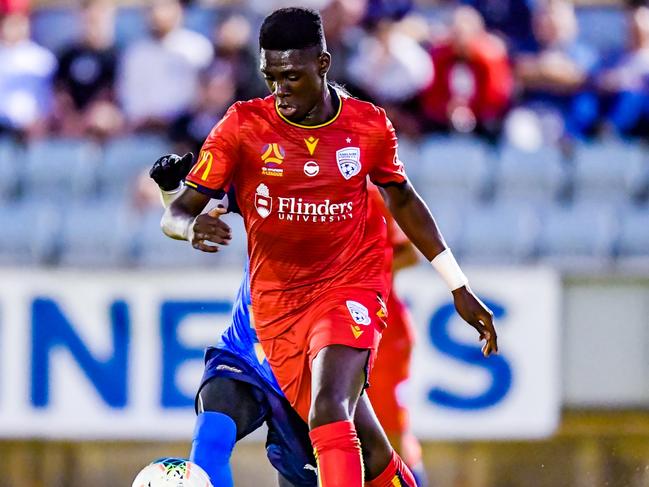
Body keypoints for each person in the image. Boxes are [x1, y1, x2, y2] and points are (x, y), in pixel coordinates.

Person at [161, 8, 497, 487]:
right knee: (218, 431)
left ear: (323, 63)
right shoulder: (243, 127)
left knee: (330, 409)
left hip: (347, 293)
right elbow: (178, 210)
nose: (279, 90)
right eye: (270, 77)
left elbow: (403, 199)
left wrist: (458, 285)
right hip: (264, 323)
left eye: (291, 76)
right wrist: (189, 227)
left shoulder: (368, 128)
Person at [150, 155, 426, 487]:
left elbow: (405, 251)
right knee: (212, 434)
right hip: (244, 352)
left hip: (309, 367)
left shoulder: (356, 201)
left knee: (370, 457)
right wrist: (173, 190)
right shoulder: (264, 181)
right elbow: (192, 211)